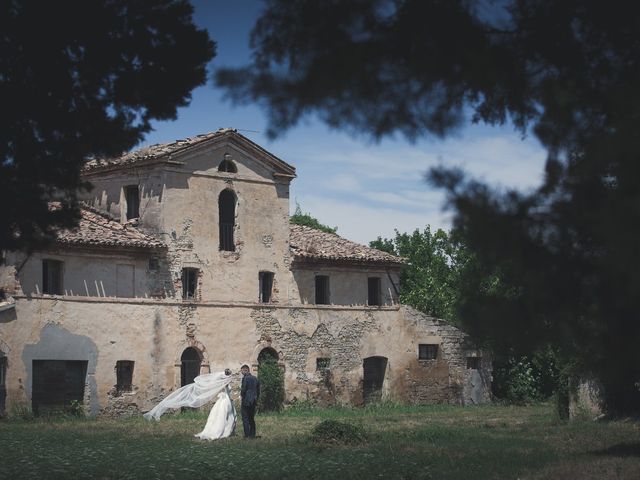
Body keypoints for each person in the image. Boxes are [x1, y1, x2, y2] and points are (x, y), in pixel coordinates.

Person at [144, 369, 236, 440]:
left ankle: (228, 430)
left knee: (227, 416)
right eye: (230, 374)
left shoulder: (224, 383)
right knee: (223, 416)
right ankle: (222, 431)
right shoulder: (224, 383)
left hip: (226, 400)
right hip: (224, 401)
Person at [240, 364, 260, 438]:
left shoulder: (245, 379)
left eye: (242, 371)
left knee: (245, 418)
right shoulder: (255, 378)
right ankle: (252, 434)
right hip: (254, 401)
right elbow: (258, 391)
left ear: (245, 370)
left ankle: (247, 435)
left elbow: (244, 390)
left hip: (246, 400)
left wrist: (242, 395)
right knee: (251, 418)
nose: (241, 373)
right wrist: (256, 398)